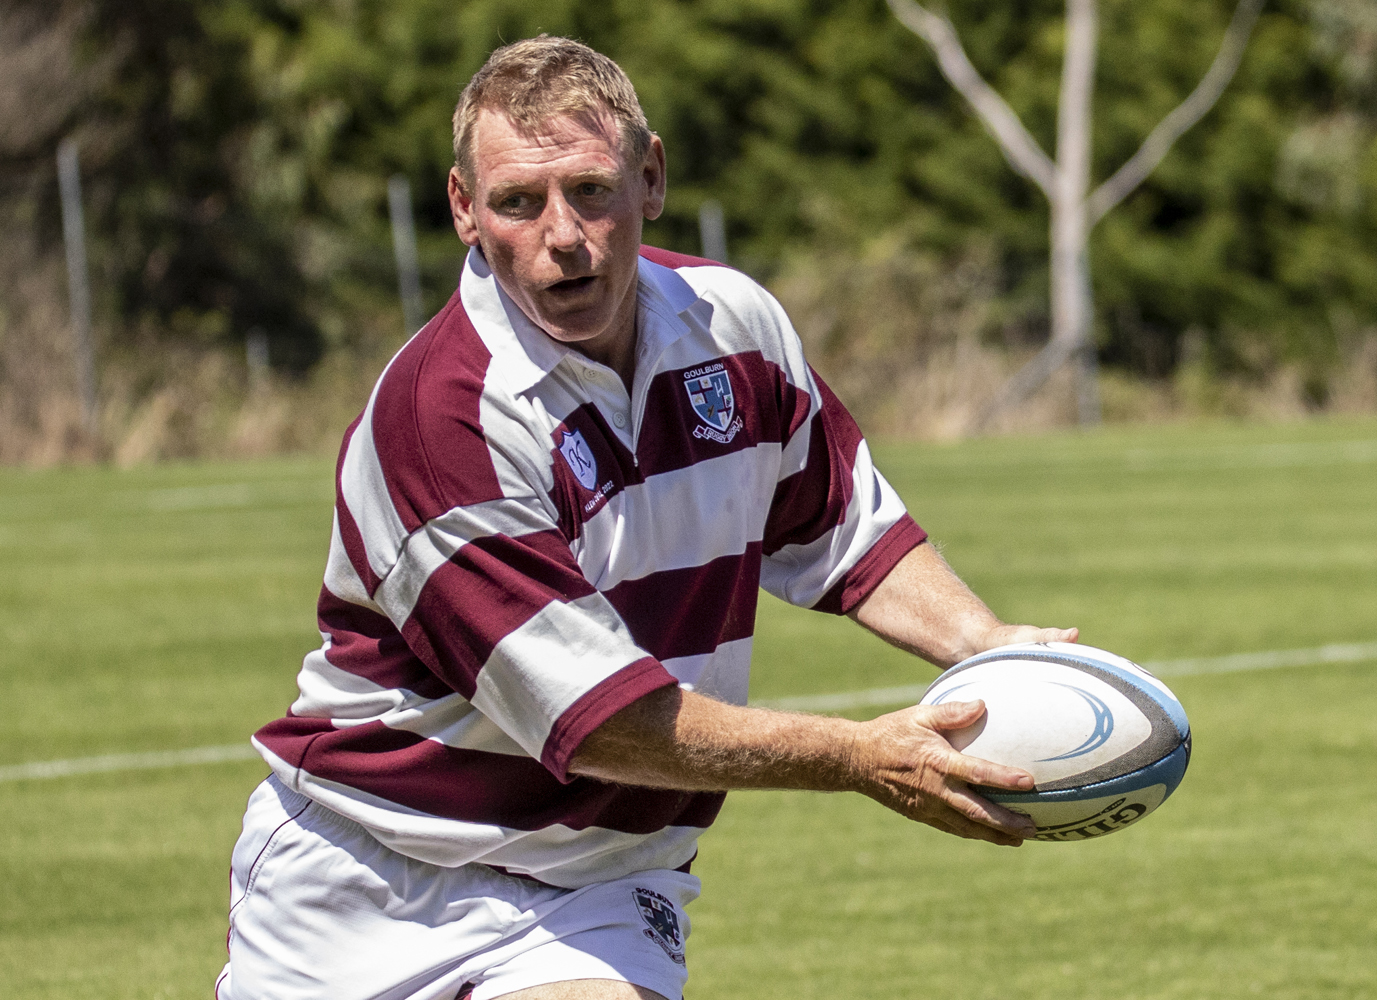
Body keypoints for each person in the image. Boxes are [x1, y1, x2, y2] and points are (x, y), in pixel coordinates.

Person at [217, 35, 1077, 1000]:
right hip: (368, 877)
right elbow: (599, 722)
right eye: (517, 201)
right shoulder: (442, 418)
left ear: (651, 178)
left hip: (597, 886)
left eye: (591, 190)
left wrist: (992, 647)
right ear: (463, 208)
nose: (563, 234)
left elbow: (848, 535)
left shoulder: (732, 328)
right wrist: (859, 756)